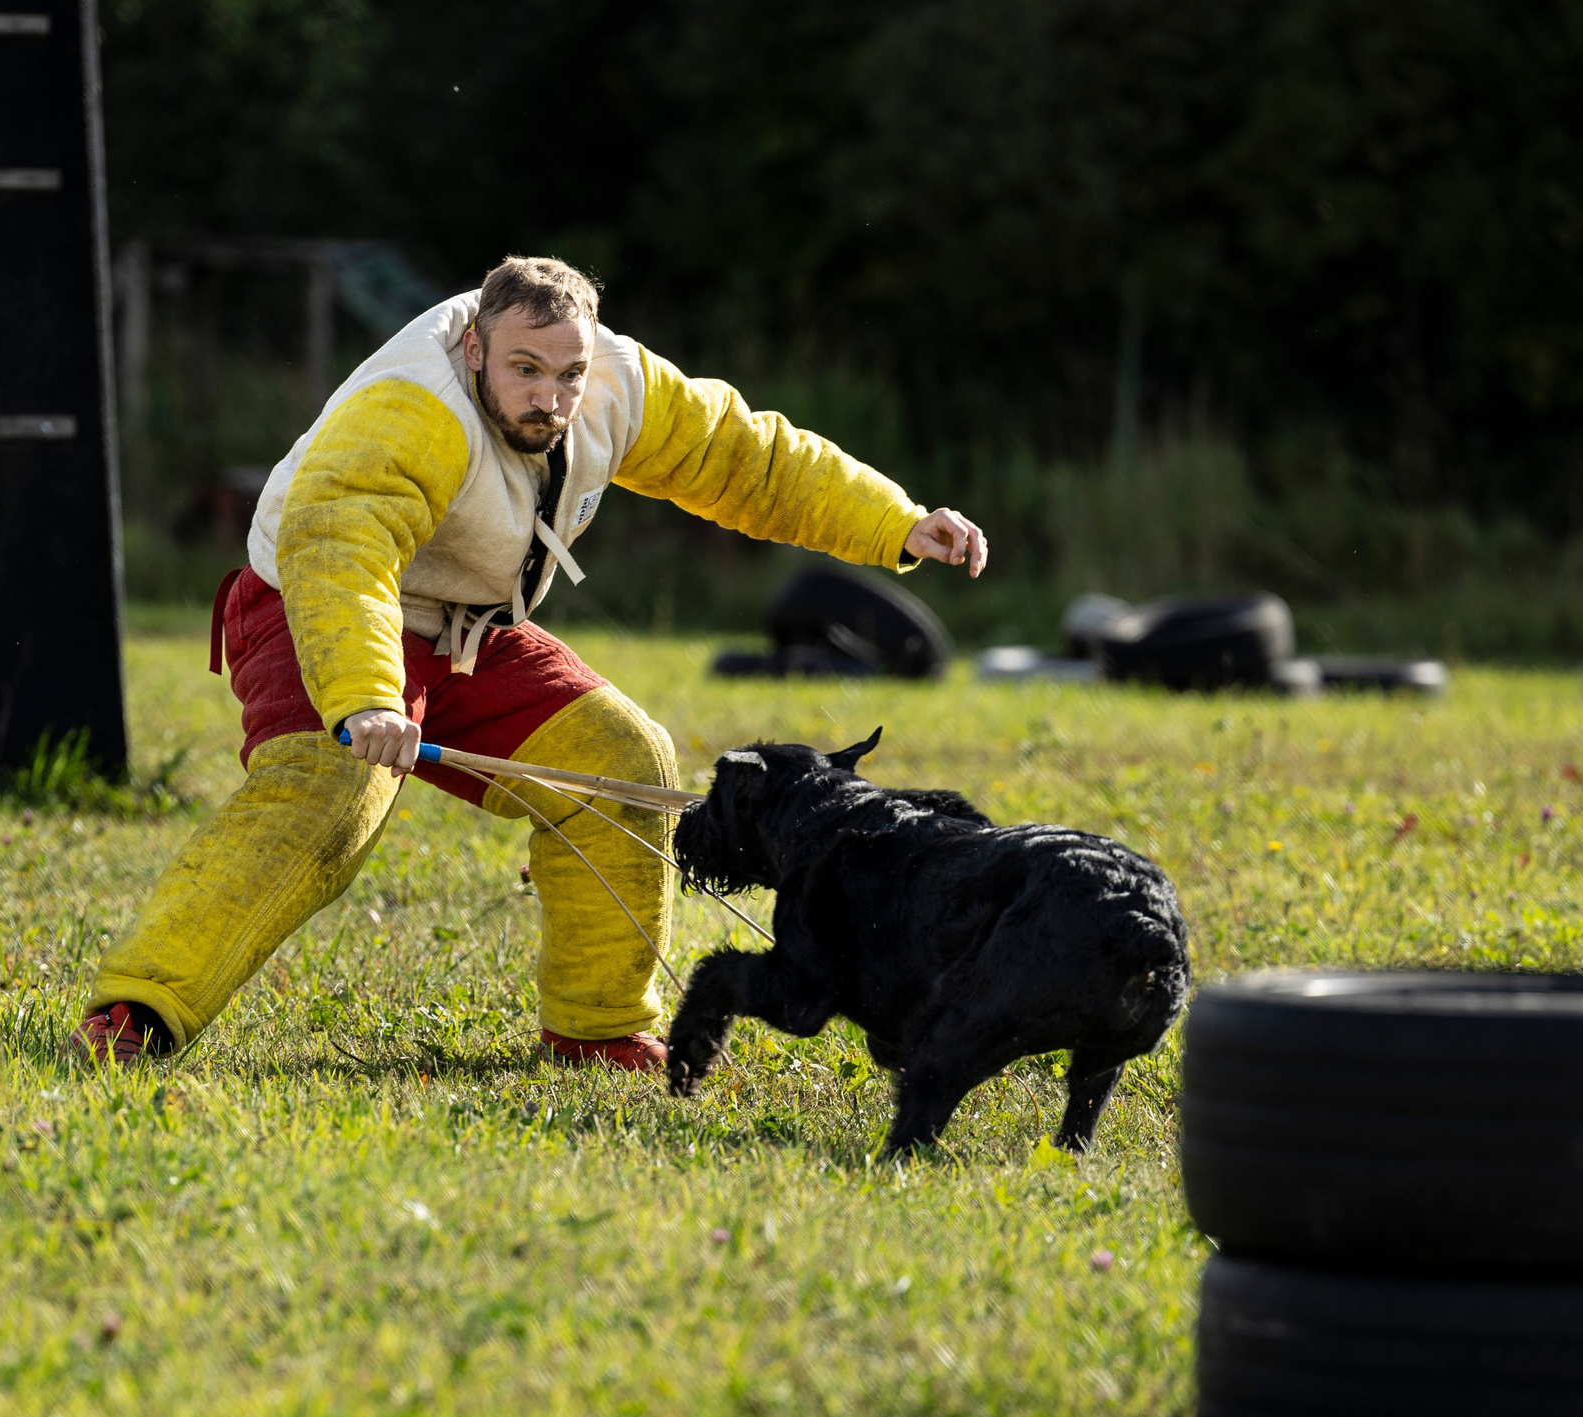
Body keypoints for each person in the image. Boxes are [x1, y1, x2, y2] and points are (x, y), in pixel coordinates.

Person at [70, 255, 987, 1071]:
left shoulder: (617, 382)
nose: (550, 396)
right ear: (474, 348)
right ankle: (138, 1009)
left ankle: (598, 1029)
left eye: (567, 374)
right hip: (316, 607)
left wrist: (896, 522)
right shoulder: (412, 406)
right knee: (330, 795)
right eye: (524, 370)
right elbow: (340, 547)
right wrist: (367, 697)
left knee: (626, 761)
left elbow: (744, 457)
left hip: (472, 633)